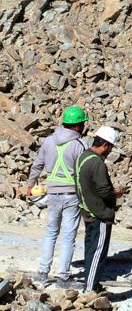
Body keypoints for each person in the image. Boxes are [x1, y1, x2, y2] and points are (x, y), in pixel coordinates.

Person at [26, 105, 91, 287]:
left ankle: (42, 272)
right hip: (72, 195)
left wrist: (30, 185)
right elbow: (85, 173)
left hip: (53, 193)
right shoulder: (81, 145)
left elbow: (37, 165)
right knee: (68, 235)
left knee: (51, 232)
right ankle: (63, 277)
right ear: (78, 126)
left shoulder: (48, 141)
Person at [75, 126, 122, 294]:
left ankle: (92, 284)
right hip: (99, 213)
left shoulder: (83, 157)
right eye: (110, 148)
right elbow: (103, 191)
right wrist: (116, 193)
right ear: (105, 145)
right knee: (98, 252)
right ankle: (89, 290)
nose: (109, 152)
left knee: (91, 249)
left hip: (88, 211)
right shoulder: (97, 163)